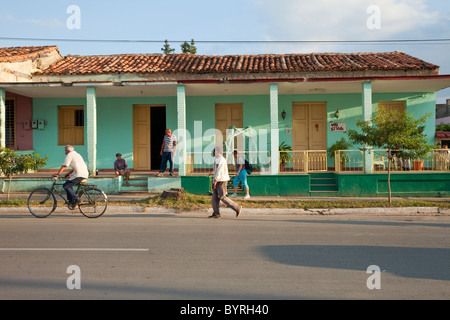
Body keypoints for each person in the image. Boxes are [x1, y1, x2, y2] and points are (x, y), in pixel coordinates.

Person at [210, 147, 242, 219]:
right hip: (217, 180)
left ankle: (237, 207)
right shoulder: (217, 159)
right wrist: (213, 181)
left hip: (221, 180)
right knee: (214, 198)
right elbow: (216, 171)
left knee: (222, 197)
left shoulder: (221, 160)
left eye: (214, 151)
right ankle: (216, 213)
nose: (213, 153)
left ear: (218, 152)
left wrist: (215, 181)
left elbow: (220, 171)